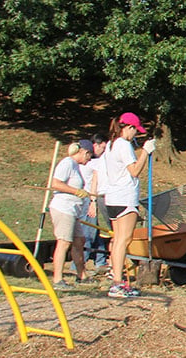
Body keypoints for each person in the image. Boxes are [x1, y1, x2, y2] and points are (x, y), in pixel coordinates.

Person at [104, 113, 154, 298]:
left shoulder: (111, 144)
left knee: (118, 240)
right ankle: (117, 283)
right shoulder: (123, 145)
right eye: (135, 131)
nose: (135, 135)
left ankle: (117, 280)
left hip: (113, 197)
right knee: (124, 240)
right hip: (124, 198)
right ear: (129, 128)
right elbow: (134, 171)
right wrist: (145, 152)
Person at [47, 140, 95, 289]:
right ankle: (57, 280)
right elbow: (55, 183)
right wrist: (76, 191)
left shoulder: (75, 166)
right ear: (84, 152)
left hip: (73, 210)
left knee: (79, 240)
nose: (89, 160)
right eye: (89, 156)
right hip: (63, 208)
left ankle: (82, 275)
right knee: (64, 242)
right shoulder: (67, 163)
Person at [81, 133, 109, 273]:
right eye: (102, 148)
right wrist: (92, 200)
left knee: (94, 229)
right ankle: (80, 263)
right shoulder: (91, 161)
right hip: (88, 198)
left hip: (91, 197)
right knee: (89, 231)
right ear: (96, 145)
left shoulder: (96, 161)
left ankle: (101, 260)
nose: (102, 151)